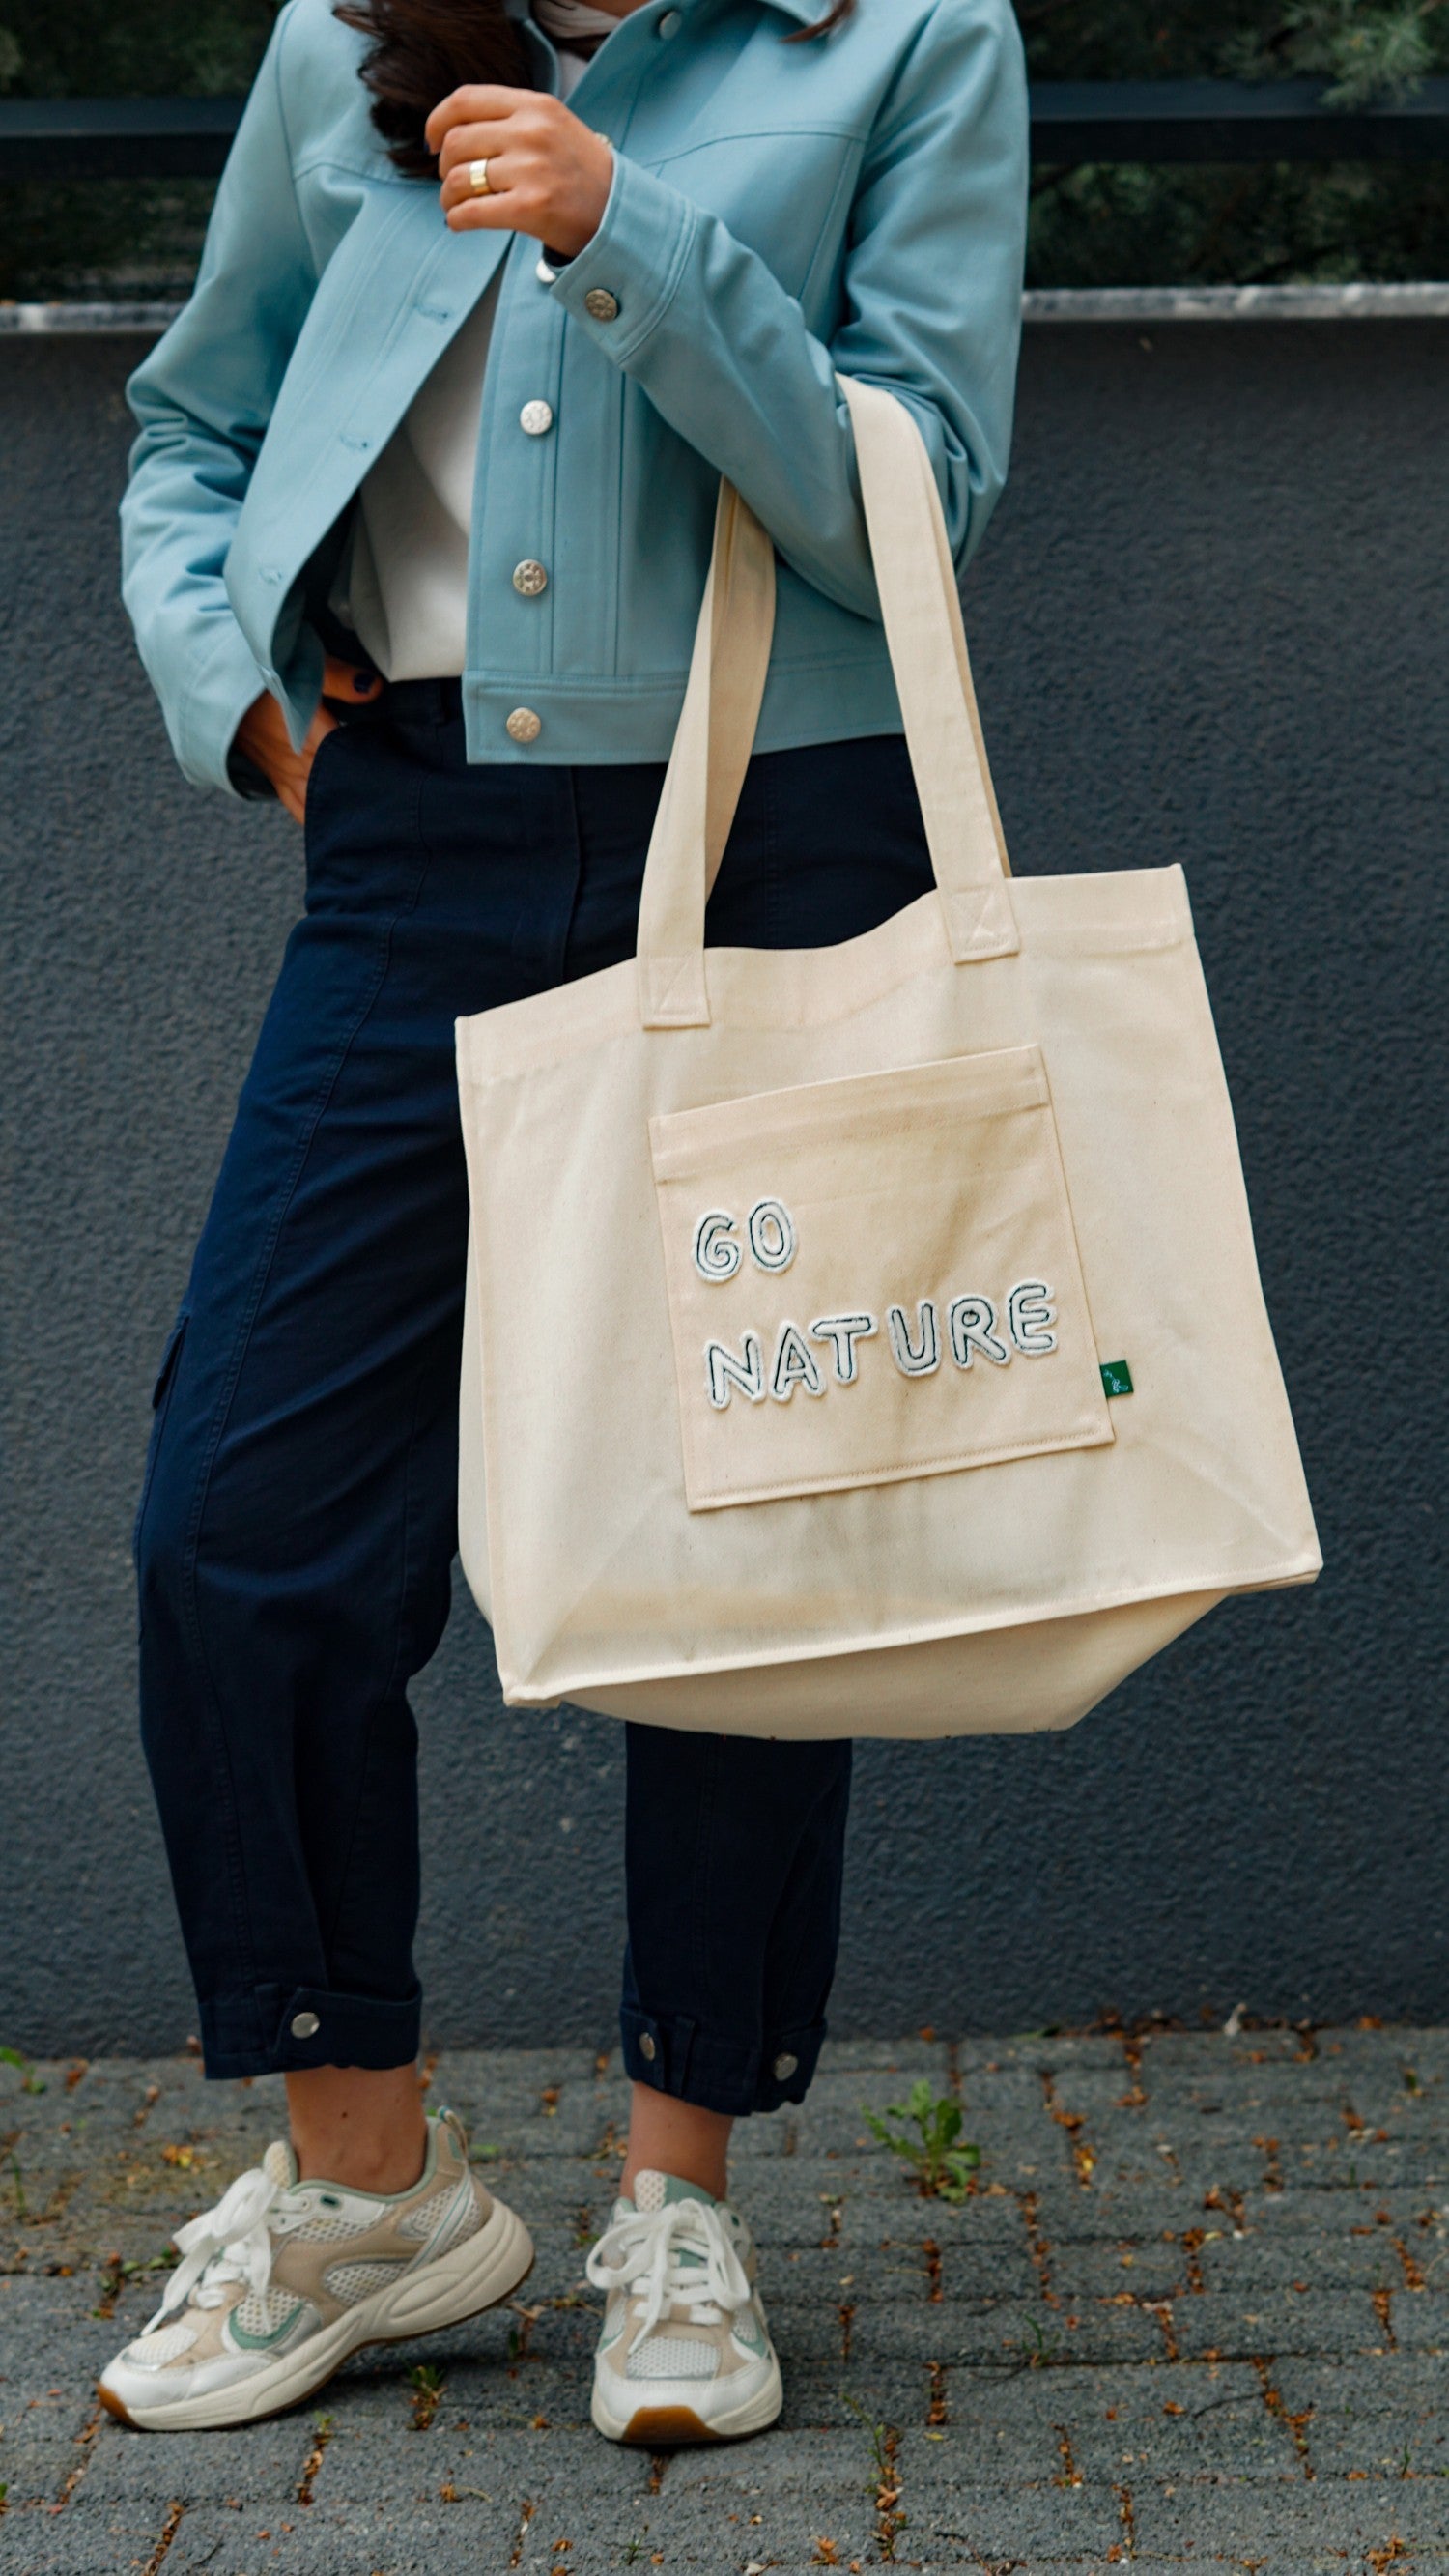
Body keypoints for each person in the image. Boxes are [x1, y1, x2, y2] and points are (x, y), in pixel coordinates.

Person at [103, 0, 1028, 2443]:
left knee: (746, 1523)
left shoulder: (914, 40)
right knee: (240, 1520)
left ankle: (679, 2198)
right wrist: (246, 704)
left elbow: (917, 498)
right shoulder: (344, 43)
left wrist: (633, 236)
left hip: (787, 828)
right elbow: (196, 430)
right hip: (410, 834)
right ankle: (368, 2185)